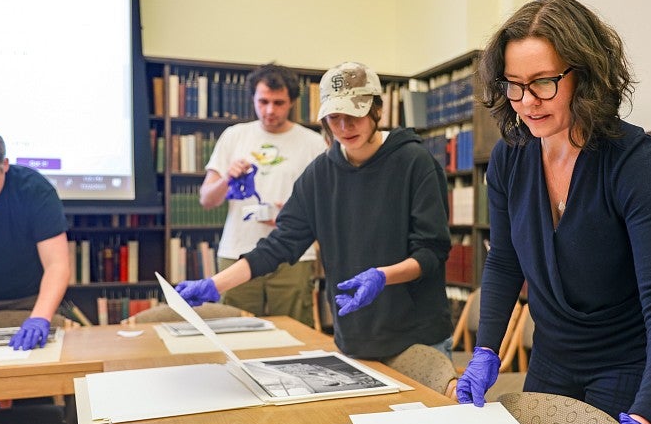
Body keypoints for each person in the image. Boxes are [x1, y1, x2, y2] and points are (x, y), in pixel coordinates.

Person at [455, 0, 651, 424]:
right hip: (550, 360)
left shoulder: (632, 160)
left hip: (623, 366)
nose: (527, 102)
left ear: (583, 76)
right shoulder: (511, 157)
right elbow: (505, 261)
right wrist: (486, 348)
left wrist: (647, 416)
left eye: (543, 82)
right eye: (513, 84)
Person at [176, 61, 453, 360]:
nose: (345, 128)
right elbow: (280, 244)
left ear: (377, 110)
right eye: (335, 117)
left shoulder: (415, 162)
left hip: (418, 335)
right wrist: (214, 285)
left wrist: (383, 276)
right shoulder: (320, 173)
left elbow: (431, 252)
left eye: (354, 115)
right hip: (355, 337)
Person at [199, 64, 327, 327]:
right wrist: (227, 179)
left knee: (294, 334)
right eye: (263, 101)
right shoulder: (234, 136)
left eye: (278, 103)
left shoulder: (313, 142)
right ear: (253, 100)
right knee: (233, 334)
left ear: (292, 102)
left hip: (294, 254)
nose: (270, 110)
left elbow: (330, 206)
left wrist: (290, 217)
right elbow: (207, 199)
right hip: (238, 252)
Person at [0, 126, 70, 350]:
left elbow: (57, 264)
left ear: (4, 165)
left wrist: (40, 318)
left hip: (30, 302)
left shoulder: (34, 190)